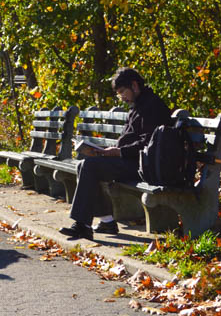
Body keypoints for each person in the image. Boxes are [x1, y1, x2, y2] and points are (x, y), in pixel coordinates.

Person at [59, 67, 172, 240]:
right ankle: (107, 221)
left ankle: (82, 225)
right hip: (131, 160)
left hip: (144, 165)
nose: (122, 97)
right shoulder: (137, 105)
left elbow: (149, 143)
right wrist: (104, 152)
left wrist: (119, 152)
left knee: (89, 166)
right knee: (84, 164)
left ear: (134, 85)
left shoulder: (152, 105)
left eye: (122, 92)